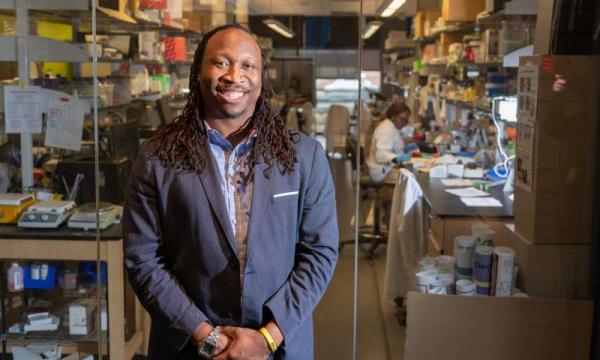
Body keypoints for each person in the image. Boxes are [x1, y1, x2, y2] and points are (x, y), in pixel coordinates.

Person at [123, 24, 338, 360]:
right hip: (189, 348)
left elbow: (320, 253)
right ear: (198, 72)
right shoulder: (157, 158)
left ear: (262, 78)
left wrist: (267, 337)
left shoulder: (303, 156)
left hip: (279, 348)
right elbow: (143, 261)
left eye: (248, 65)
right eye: (221, 62)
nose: (234, 75)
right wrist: (207, 338)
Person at [366, 100, 416, 183]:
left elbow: (394, 145)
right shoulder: (385, 130)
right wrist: (399, 158)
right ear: (393, 117)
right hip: (382, 172)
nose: (404, 123)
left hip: (388, 168)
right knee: (412, 179)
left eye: (406, 120)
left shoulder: (391, 127)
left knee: (412, 174)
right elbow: (380, 155)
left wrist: (406, 147)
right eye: (402, 119)